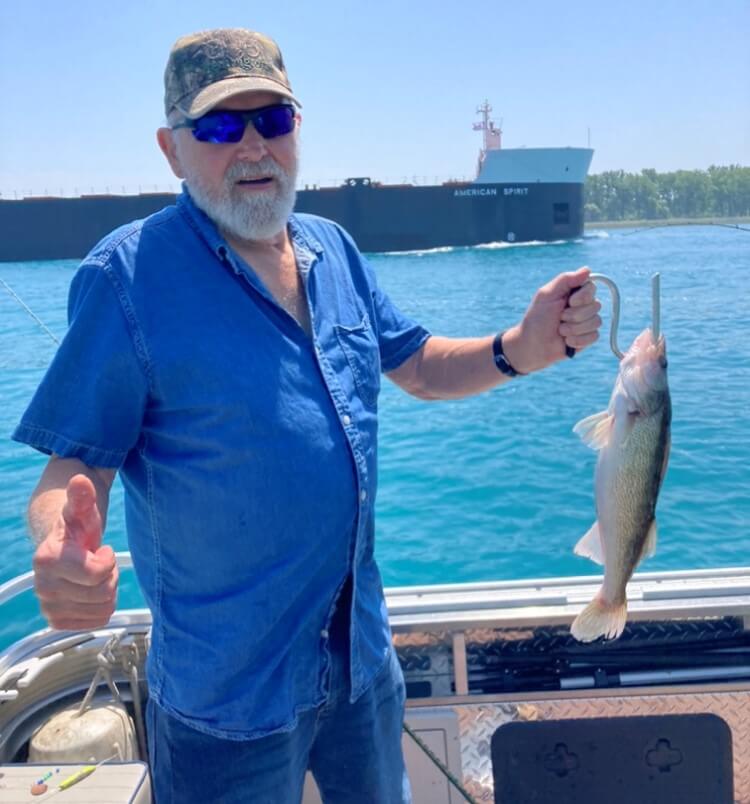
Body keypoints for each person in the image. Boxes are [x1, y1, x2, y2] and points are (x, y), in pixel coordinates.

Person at [13, 28, 601, 804]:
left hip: (360, 668)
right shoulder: (127, 279)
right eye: (220, 127)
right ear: (172, 150)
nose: (253, 146)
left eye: (274, 120)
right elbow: (73, 468)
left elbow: (417, 364)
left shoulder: (334, 249)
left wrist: (518, 348)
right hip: (227, 702)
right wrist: (58, 546)